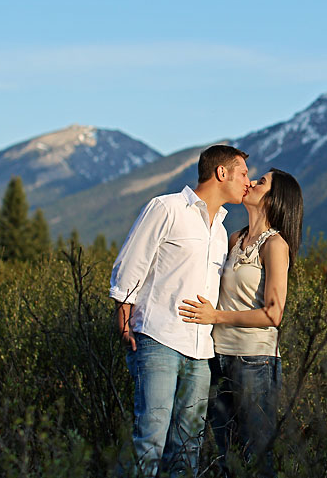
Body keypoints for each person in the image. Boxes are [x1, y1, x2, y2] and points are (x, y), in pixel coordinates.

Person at [110, 144, 250, 478]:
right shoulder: (167, 208)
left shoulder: (219, 231)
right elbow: (131, 264)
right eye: (243, 173)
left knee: (187, 446)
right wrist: (125, 320)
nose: (248, 181)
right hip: (158, 339)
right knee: (150, 438)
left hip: (200, 353)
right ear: (221, 173)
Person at [178, 168, 303, 478]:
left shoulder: (276, 245)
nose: (250, 183)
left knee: (256, 456)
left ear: (274, 199)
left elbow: (274, 314)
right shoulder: (235, 238)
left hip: (255, 361)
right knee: (223, 453)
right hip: (219, 358)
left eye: (261, 182)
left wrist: (217, 316)